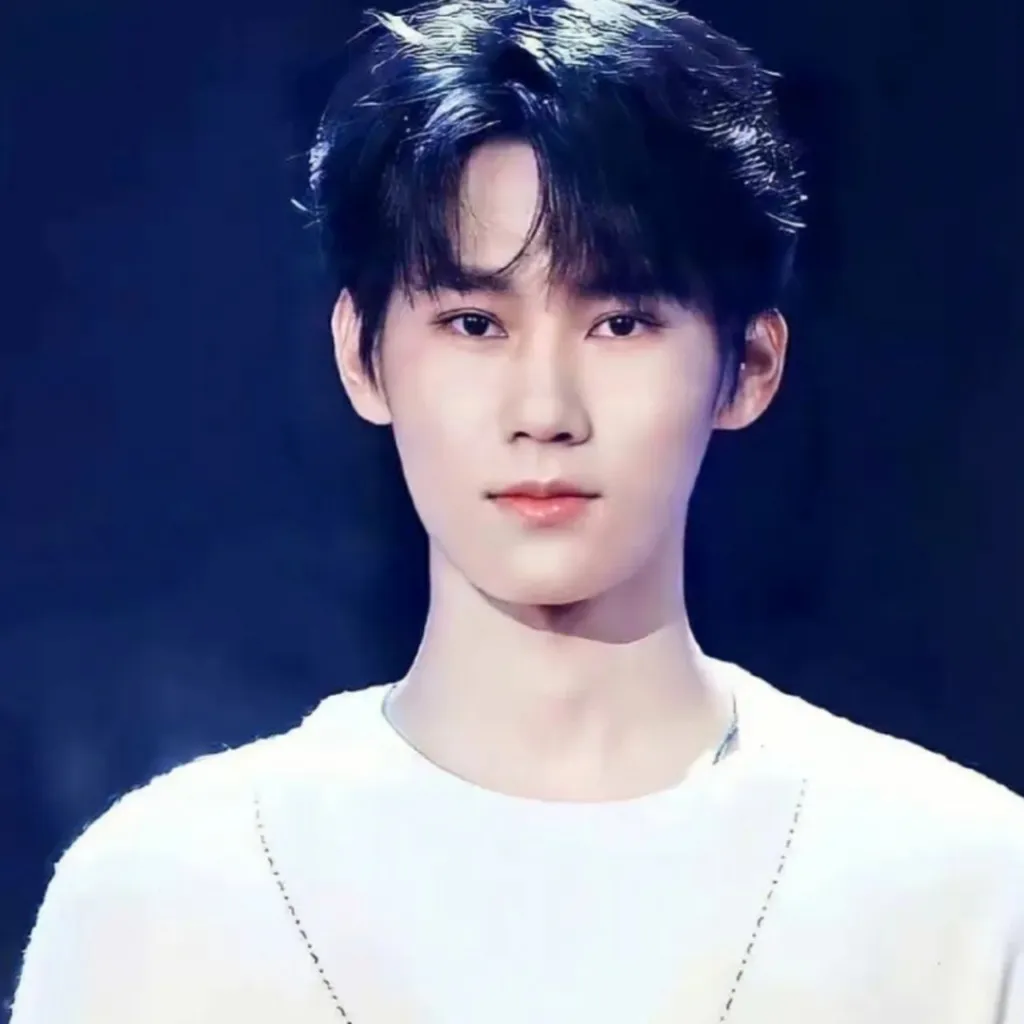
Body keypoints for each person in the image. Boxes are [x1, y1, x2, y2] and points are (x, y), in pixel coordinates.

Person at [11, 0, 1024, 1021]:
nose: (544, 411)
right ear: (362, 355)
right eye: (473, 323)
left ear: (748, 367)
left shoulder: (960, 888)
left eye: (621, 322)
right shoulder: (163, 901)